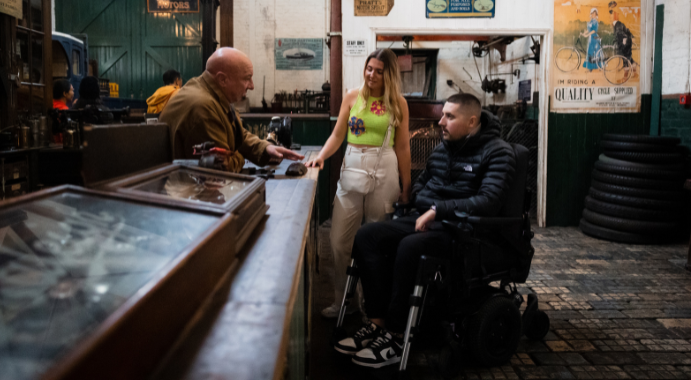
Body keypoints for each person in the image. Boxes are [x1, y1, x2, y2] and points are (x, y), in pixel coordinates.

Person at [334, 94, 516, 368]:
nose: (440, 121)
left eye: (449, 117)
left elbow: (488, 201)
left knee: (410, 245)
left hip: (465, 230)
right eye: (442, 114)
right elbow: (422, 184)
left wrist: (439, 210)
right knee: (367, 236)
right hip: (428, 217)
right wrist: (423, 203)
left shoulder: (498, 152)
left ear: (471, 121)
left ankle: (396, 335)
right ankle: (377, 324)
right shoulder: (443, 148)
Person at [306, 48, 412, 319]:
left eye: (378, 70)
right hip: (352, 167)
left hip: (385, 170)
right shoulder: (352, 97)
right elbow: (337, 135)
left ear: (388, 74)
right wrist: (320, 156)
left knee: (376, 241)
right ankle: (345, 300)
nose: (371, 74)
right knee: (339, 239)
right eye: (368, 68)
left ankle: (374, 303)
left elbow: (402, 147)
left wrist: (406, 186)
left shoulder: (398, 103)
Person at [160, 48, 303, 172]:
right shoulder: (204, 108)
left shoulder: (210, 94)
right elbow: (221, 166)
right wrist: (241, 155)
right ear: (222, 79)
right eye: (247, 78)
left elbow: (237, 135)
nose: (252, 86)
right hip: (194, 197)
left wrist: (265, 148)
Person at [609, 1, 636, 79]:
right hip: (626, 41)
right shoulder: (616, 24)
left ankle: (625, 76)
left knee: (625, 58)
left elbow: (621, 33)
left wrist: (624, 40)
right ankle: (635, 73)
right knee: (629, 58)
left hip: (625, 42)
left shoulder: (618, 24)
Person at [581, 8, 601, 72]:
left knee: (594, 52)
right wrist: (584, 33)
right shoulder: (590, 21)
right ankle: (590, 68)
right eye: (592, 13)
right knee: (590, 52)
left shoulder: (595, 22)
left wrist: (587, 35)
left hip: (594, 37)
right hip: (590, 38)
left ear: (596, 14)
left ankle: (597, 67)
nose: (593, 15)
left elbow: (594, 30)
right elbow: (589, 29)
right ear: (591, 14)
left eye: (595, 14)